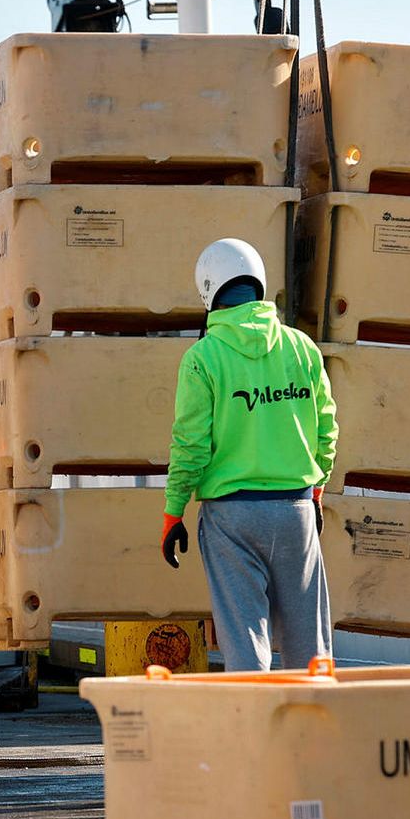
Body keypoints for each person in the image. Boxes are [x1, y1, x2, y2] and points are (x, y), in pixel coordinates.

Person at [159, 239, 338, 672]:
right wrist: (316, 491)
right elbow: (326, 430)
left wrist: (173, 512)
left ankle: (252, 732)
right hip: (295, 511)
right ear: (259, 284)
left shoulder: (202, 359)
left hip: (231, 519)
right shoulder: (301, 348)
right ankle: (314, 731)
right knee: (309, 647)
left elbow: (191, 447)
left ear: (208, 291)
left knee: (245, 642)